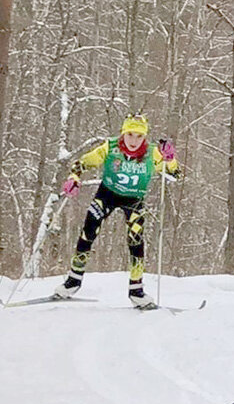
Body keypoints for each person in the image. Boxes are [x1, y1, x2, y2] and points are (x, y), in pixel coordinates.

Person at [55, 114, 182, 308]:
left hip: (134, 199)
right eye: (130, 134)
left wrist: (170, 158)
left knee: (136, 240)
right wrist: (74, 178)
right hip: (107, 194)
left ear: (145, 137)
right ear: (123, 133)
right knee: (89, 231)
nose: (133, 140)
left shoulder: (152, 153)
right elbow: (82, 163)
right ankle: (73, 281)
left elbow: (175, 174)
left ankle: (136, 290)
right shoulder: (111, 147)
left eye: (139, 136)